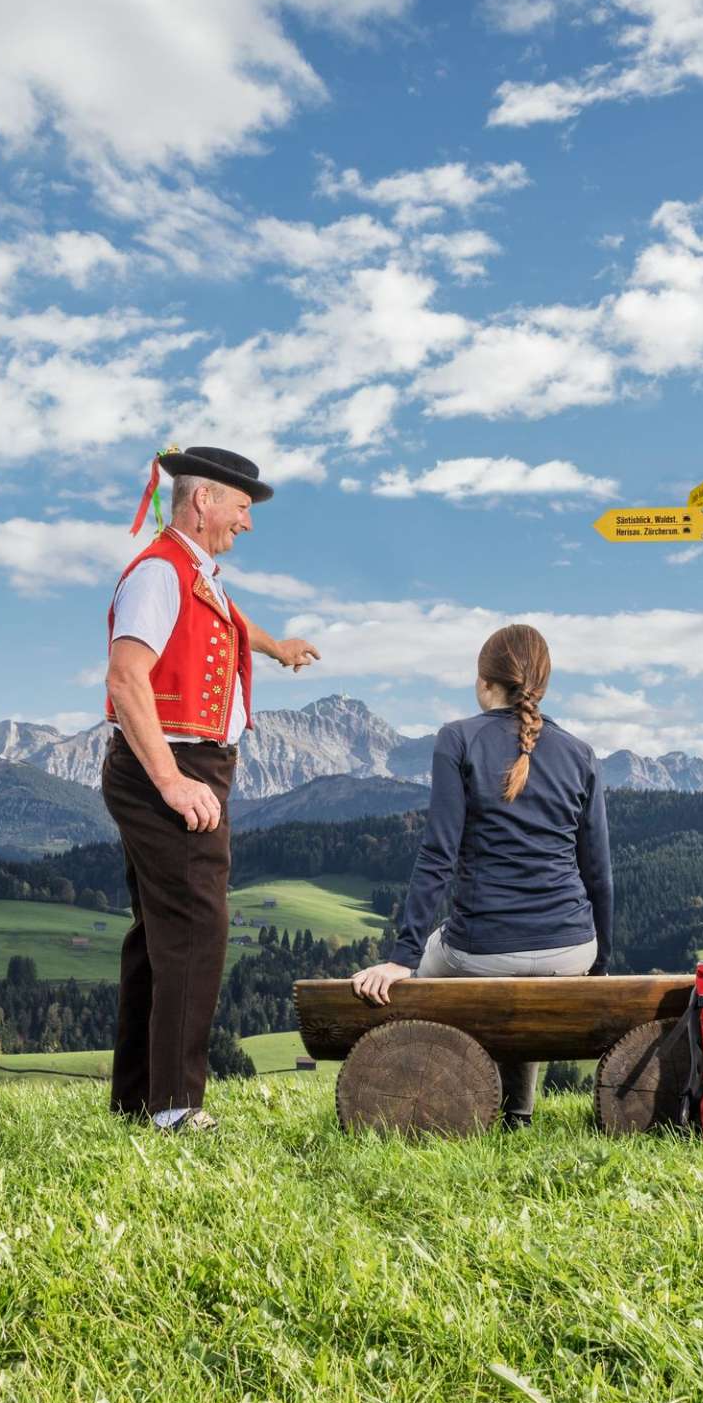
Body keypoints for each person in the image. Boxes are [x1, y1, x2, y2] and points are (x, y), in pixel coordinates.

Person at [103, 445, 321, 1132]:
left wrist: (276, 648)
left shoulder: (196, 575)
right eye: (242, 507)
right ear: (204, 501)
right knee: (199, 928)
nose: (247, 523)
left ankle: (139, 1099)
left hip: (185, 766)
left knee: (159, 936)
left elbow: (228, 618)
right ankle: (174, 1106)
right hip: (169, 766)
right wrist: (170, 780)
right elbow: (125, 678)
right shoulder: (157, 576)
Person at [348, 623, 613, 1127]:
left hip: (482, 948)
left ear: (483, 681)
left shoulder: (458, 739)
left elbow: (437, 855)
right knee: (526, 982)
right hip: (572, 950)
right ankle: (518, 1111)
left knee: (434, 968)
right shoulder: (581, 754)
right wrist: (600, 962)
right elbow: (598, 871)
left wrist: (402, 958)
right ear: (542, 686)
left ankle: (422, 1104)